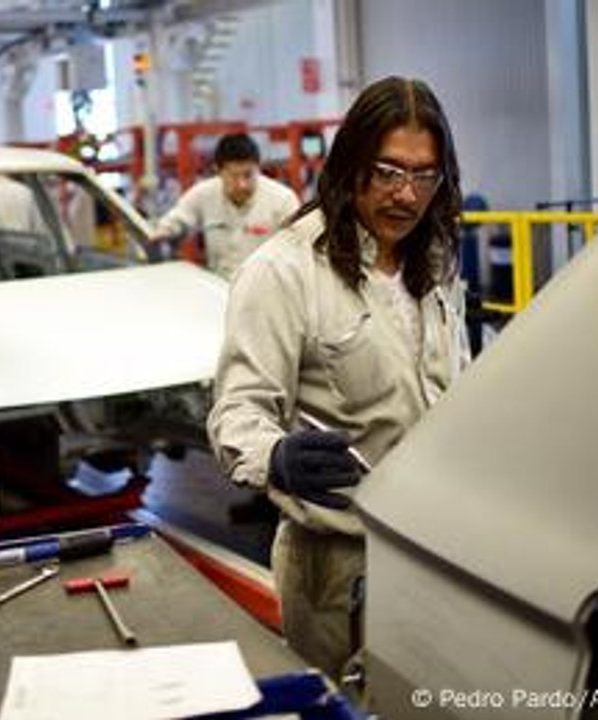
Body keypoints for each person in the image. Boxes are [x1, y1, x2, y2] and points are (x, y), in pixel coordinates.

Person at [207, 76, 471, 680]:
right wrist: (275, 456)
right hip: (338, 573)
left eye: (425, 176)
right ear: (350, 162)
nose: (407, 195)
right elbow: (237, 412)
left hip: (437, 553)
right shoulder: (283, 272)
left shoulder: (432, 263)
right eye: (388, 172)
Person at [151, 132, 299, 279]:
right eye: (234, 176)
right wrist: (162, 232)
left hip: (265, 290)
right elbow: (178, 218)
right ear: (218, 171)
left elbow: (300, 250)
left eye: (248, 175)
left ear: (258, 168)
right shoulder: (204, 194)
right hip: (220, 287)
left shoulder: (283, 200)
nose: (242, 184)